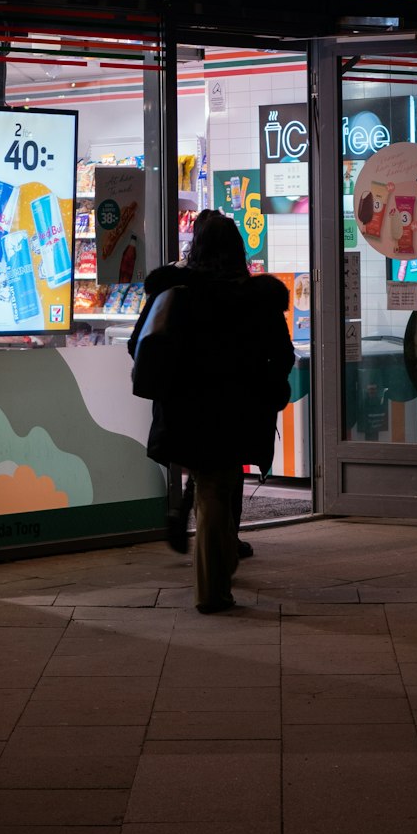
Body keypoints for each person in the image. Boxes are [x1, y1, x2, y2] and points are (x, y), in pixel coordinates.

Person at [129, 210, 295, 613]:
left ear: (195, 247)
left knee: (211, 482)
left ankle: (218, 567)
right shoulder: (259, 299)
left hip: (187, 408)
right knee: (220, 481)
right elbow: (283, 355)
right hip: (241, 408)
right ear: (238, 249)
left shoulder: (174, 293)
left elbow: (139, 345)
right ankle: (213, 589)